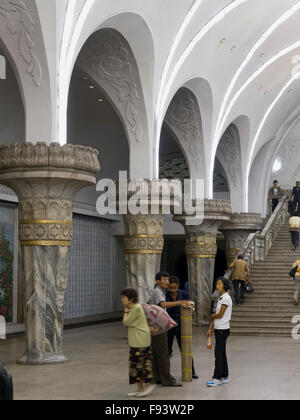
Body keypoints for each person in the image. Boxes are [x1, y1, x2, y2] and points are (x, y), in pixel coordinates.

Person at [149, 271, 192, 387]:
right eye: (164, 280)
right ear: (158, 281)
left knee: (157, 353)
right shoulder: (158, 291)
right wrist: (180, 302)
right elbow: (163, 305)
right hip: (158, 327)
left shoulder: (161, 291)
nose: (167, 282)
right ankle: (167, 380)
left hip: (157, 325)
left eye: (167, 280)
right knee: (163, 354)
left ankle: (157, 377)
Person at [121, 288, 157, 398]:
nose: (122, 299)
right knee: (134, 365)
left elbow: (126, 322)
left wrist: (125, 311)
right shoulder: (133, 308)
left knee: (141, 364)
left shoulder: (135, 308)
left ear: (131, 298)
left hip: (140, 340)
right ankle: (139, 388)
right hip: (136, 340)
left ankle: (149, 385)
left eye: (124, 297)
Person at [166, 276, 199, 379]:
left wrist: (190, 305)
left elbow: (191, 303)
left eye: (174, 288)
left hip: (181, 325)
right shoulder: (165, 295)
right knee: (166, 350)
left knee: (186, 349)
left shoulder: (183, 293)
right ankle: (165, 374)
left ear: (178, 286)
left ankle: (192, 371)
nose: (172, 290)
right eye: (170, 288)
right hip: (168, 326)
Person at [206, 278, 232, 388]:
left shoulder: (226, 298)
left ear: (224, 285)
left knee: (218, 353)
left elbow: (219, 315)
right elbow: (216, 315)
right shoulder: (221, 297)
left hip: (222, 329)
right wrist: (210, 328)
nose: (217, 286)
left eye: (219, 284)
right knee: (222, 353)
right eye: (217, 283)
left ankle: (217, 378)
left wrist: (212, 316)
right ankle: (224, 376)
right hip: (219, 328)